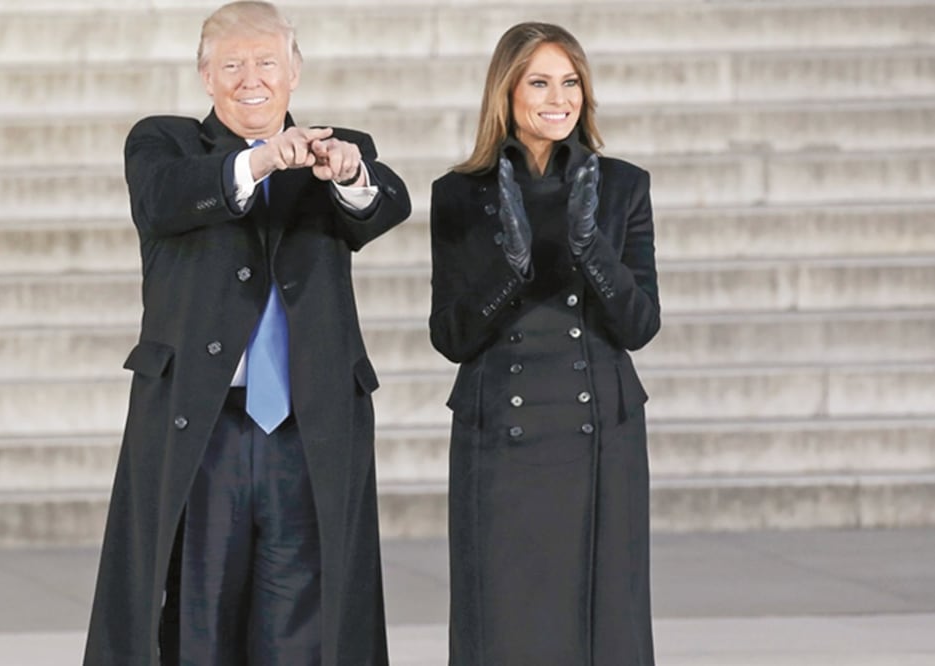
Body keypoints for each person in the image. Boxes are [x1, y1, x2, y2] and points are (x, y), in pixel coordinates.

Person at [83, 2, 411, 664]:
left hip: (307, 424)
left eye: (266, 62)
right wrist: (259, 164)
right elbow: (164, 197)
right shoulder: (164, 143)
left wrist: (346, 175)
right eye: (231, 64)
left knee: (306, 618)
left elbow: (383, 206)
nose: (249, 79)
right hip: (202, 426)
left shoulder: (338, 146)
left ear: (294, 71)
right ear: (206, 76)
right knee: (195, 611)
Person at [428, 22, 660, 666]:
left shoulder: (623, 186)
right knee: (503, 621)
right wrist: (509, 270)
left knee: (604, 621)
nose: (559, 98)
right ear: (507, 92)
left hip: (600, 435)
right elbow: (449, 335)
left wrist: (592, 251)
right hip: (501, 434)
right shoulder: (458, 194)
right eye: (539, 81)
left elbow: (641, 325)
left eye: (571, 83)